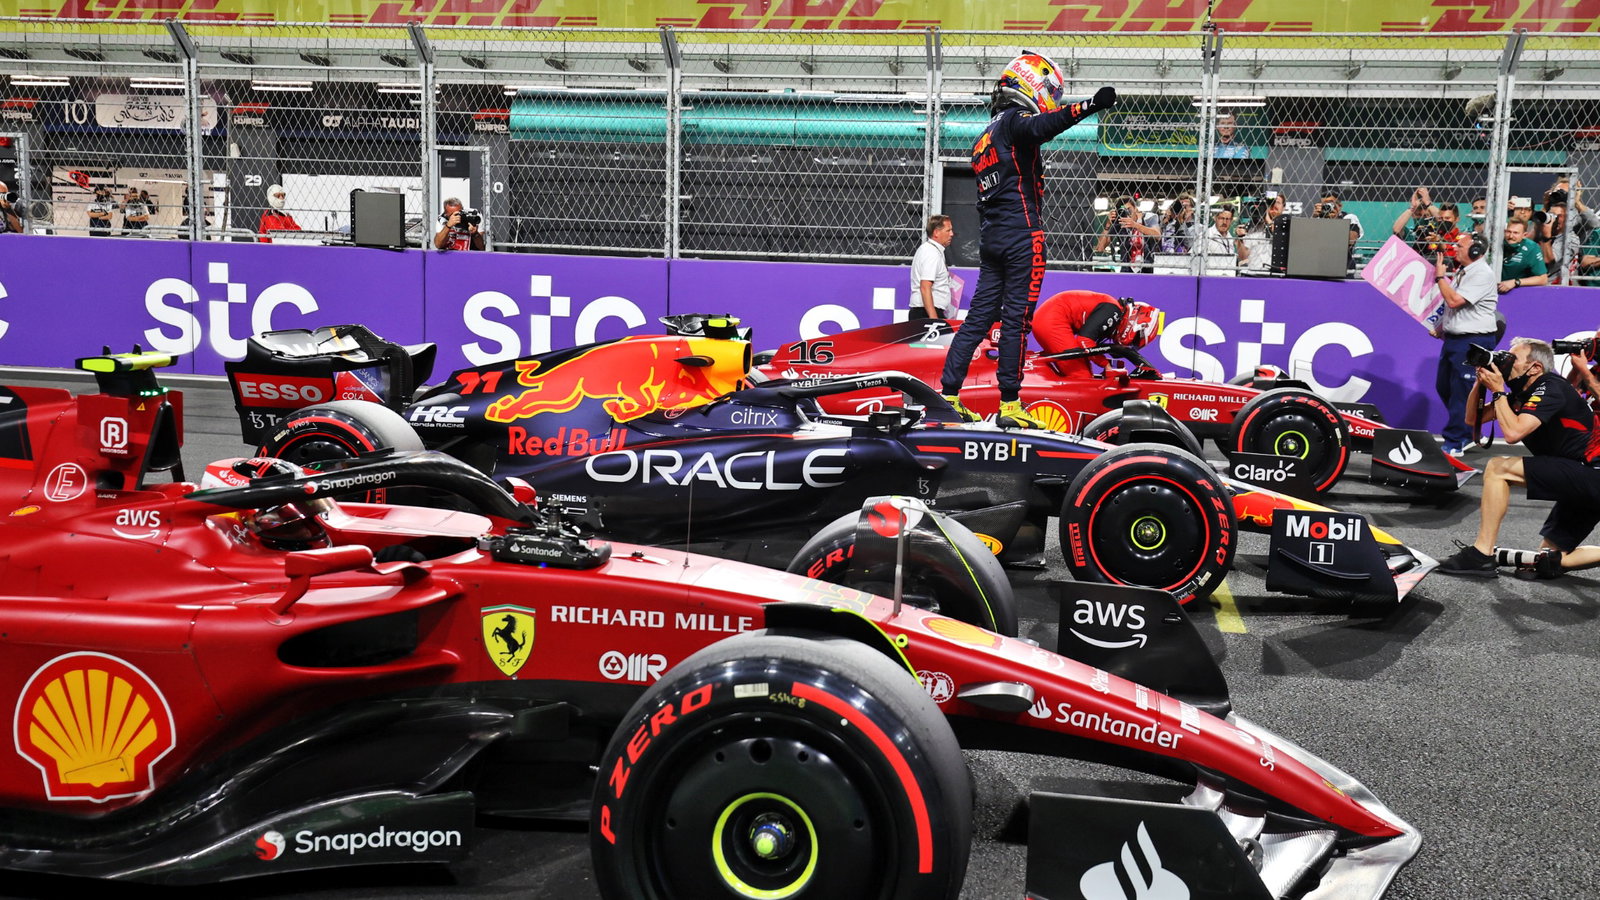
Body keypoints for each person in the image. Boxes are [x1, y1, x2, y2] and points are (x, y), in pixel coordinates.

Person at [939, 52, 1117, 429]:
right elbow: (1041, 127)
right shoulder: (1014, 123)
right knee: (1017, 323)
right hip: (1023, 237)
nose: (1051, 97)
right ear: (1032, 83)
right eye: (1051, 90)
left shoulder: (983, 137)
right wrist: (1089, 106)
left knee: (976, 322)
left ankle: (948, 396)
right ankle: (1009, 405)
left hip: (992, 239)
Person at [1437, 338, 1600, 577]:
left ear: (1534, 367)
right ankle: (1543, 562)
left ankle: (1482, 553)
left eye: (1512, 359)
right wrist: (1481, 384)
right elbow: (1473, 419)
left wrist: (1499, 390)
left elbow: (1513, 433)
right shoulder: (1521, 394)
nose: (1505, 362)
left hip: (1592, 473)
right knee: (1550, 558)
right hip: (1580, 473)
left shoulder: (1549, 386)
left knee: (1498, 467)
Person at [1432, 231, 1499, 457]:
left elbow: (1454, 300)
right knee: (1444, 386)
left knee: (1461, 391)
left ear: (1475, 251)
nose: (1455, 249)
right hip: (1455, 340)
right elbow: (1454, 305)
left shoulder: (1482, 274)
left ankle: (1455, 441)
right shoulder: (1465, 271)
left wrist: (1440, 277)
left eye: (1460, 246)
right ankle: (1468, 430)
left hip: (1472, 341)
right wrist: (1442, 327)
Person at [1031, 290, 1163, 377]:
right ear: (1137, 322)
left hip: (1051, 317)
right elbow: (1084, 341)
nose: (1131, 343)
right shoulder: (1113, 310)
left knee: (1084, 373)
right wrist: (1105, 365)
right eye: (1135, 340)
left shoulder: (1113, 309)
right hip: (1052, 319)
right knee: (1081, 376)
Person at [1094, 193, 1158, 272]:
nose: (1127, 214)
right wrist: (1108, 225)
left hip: (1148, 266)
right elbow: (1100, 248)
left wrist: (1135, 225)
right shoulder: (1119, 222)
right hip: (1126, 268)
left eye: (1129, 210)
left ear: (1136, 209)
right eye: (1123, 211)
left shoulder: (1149, 217)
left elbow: (1157, 235)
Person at [909, 214, 955, 320]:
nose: (952, 234)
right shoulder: (931, 253)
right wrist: (933, 319)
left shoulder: (932, 250)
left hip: (927, 312)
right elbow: (925, 286)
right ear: (936, 233)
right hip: (926, 313)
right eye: (948, 231)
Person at [1498, 219, 1548, 294]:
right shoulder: (1496, 244)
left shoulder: (1531, 248)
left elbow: (1543, 279)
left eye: (1516, 233)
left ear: (1524, 235)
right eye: (1508, 232)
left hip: (1519, 293)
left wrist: (1515, 282)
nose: (1511, 236)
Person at [1240, 192, 1284, 273]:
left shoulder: (1285, 224)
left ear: (1283, 207)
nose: (1274, 205)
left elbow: (1280, 237)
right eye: (1271, 203)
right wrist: (1240, 238)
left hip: (1275, 273)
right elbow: (1243, 256)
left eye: (1277, 202)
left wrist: (1267, 218)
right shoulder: (1253, 227)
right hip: (1253, 272)